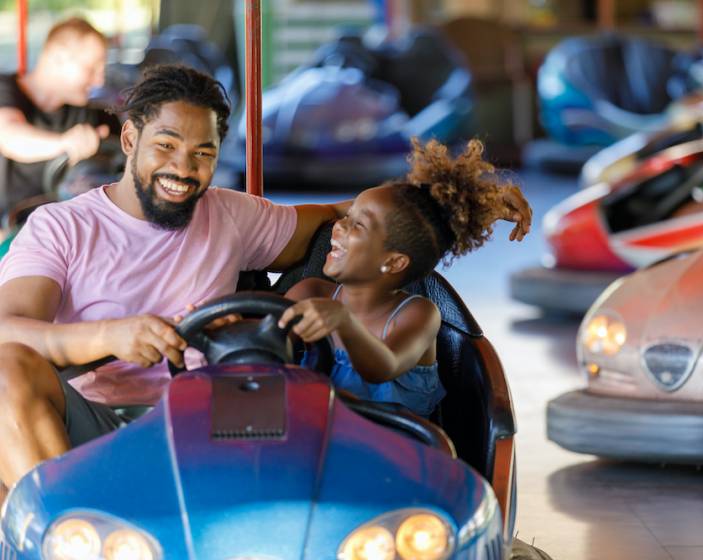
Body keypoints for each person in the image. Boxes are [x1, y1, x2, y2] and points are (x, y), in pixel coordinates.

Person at [0, 63, 531, 493]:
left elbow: (364, 220)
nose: (184, 169)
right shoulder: (62, 227)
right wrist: (108, 335)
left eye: (202, 153)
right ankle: (68, 527)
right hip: (95, 428)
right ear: (130, 137)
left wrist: (468, 199)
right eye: (166, 145)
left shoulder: (230, 214)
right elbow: (8, 329)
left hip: (215, 424)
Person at [279, 138, 531, 417]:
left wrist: (344, 321)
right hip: (316, 445)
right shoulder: (308, 292)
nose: (338, 225)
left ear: (394, 261)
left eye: (358, 224)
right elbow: (267, 347)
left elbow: (384, 366)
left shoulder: (419, 315)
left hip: (397, 452)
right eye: (347, 216)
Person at [0, 17, 118, 220]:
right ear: (58, 58)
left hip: (57, 229)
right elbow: (9, 135)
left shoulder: (90, 116)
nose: (99, 81)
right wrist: (66, 143)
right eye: (91, 69)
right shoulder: (6, 89)